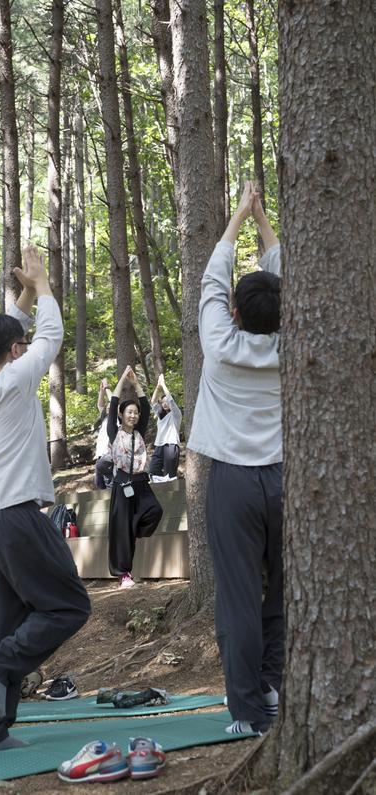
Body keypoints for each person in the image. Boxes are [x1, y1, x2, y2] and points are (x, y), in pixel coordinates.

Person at [0, 245, 91, 753]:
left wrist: (23, 296)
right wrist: (45, 287)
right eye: (20, 343)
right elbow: (51, 337)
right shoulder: (16, 378)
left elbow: (1, 336)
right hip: (16, 519)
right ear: (15, 351)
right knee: (70, 606)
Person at [188, 181, 282, 736]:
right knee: (285, 589)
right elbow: (286, 283)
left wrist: (237, 219)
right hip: (285, 481)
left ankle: (247, 711)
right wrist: (265, 222)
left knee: (240, 598)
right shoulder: (295, 344)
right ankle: (271, 684)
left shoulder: (220, 342)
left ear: (234, 313)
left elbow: (211, 277)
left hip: (233, 485)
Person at [106, 366, 163, 588]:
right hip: (122, 484)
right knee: (122, 532)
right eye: (129, 412)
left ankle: (134, 531)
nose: (133, 415)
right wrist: (122, 380)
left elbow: (146, 405)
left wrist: (136, 383)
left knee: (155, 511)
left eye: (135, 412)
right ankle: (124, 575)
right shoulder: (114, 431)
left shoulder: (139, 431)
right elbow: (112, 403)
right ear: (122, 415)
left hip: (140, 483)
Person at [149, 373, 182, 482]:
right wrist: (158, 387)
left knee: (170, 477)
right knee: (152, 472)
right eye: (162, 402)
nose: (164, 403)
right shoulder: (161, 416)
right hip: (159, 446)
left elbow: (171, 400)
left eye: (166, 401)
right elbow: (153, 402)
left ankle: (172, 497)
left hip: (171, 446)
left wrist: (163, 385)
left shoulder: (176, 415)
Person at [94, 378, 113, 489]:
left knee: (109, 484)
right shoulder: (105, 417)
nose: (109, 408)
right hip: (100, 455)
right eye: (108, 406)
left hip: (109, 454)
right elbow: (100, 406)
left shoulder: (117, 419)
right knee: (99, 483)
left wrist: (107, 388)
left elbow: (114, 401)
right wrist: (101, 391)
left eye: (112, 406)